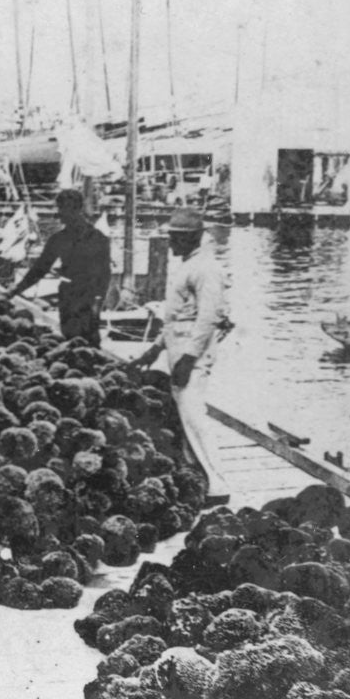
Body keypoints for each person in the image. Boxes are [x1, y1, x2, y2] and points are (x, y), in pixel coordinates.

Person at [132, 206, 231, 505]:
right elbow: (175, 318)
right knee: (185, 413)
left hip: (193, 353)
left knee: (193, 415)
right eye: (172, 236)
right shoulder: (188, 265)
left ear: (195, 237)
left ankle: (217, 485)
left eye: (178, 237)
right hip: (179, 348)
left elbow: (208, 318)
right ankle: (198, 476)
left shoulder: (207, 268)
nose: (172, 242)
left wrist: (189, 358)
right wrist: (154, 350)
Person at [5, 188, 111, 348]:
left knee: (88, 341)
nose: (61, 214)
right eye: (60, 208)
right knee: (74, 341)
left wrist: (97, 302)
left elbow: (104, 274)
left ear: (76, 210)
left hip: (86, 298)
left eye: (63, 209)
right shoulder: (63, 239)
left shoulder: (95, 238)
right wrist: (17, 289)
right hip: (70, 297)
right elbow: (40, 269)